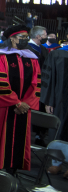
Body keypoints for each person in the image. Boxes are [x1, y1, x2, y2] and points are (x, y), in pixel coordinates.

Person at [0, 25, 41, 172]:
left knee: (19, 143)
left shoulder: (32, 58)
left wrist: (26, 103)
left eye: (26, 37)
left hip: (23, 108)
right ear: (12, 38)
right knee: (1, 139)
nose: (25, 39)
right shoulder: (0, 56)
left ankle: (13, 171)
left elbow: (36, 83)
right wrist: (16, 103)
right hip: (4, 107)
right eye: (21, 36)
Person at [41, 44, 68, 176]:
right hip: (60, 101)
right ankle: (56, 163)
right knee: (58, 130)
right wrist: (49, 100)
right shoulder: (57, 54)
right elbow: (48, 78)